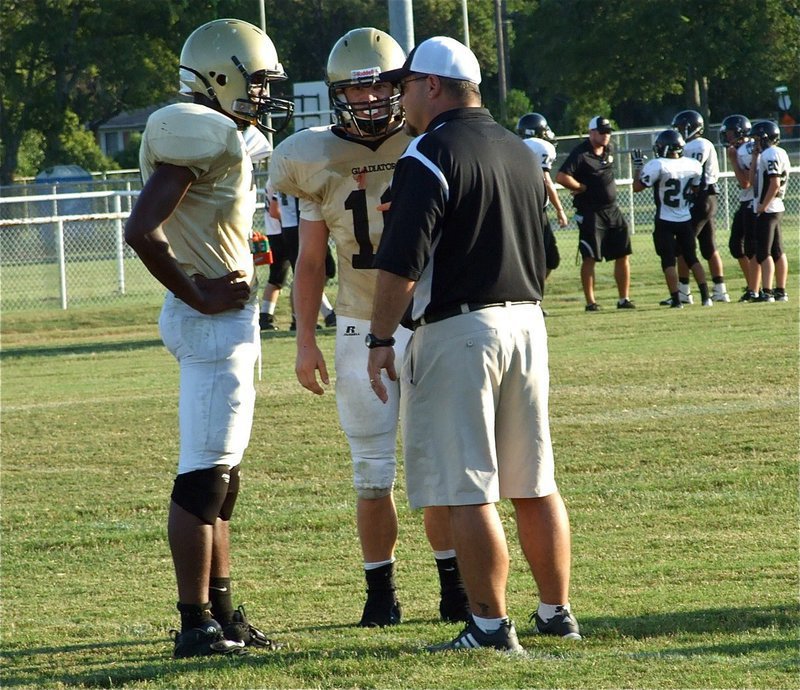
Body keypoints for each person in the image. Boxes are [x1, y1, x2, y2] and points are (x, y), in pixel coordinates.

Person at [367, 35, 580, 653]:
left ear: (431, 85)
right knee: (534, 481)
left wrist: (381, 336)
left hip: (460, 330)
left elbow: (400, 263)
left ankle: (489, 625)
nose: (401, 96)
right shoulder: (518, 149)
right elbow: (546, 255)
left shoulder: (428, 152)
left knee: (468, 485)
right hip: (527, 321)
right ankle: (555, 612)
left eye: (406, 84)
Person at [270, 27, 469, 628]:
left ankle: (453, 585)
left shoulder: (430, 140)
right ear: (336, 96)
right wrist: (304, 340)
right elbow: (309, 262)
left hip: (427, 319)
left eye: (380, 86)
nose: (369, 100)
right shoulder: (310, 156)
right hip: (358, 322)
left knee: (434, 464)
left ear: (403, 86)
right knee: (372, 470)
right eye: (355, 91)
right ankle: (380, 592)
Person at [124, 18, 293, 658]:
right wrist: (197, 292)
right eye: (256, 85)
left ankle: (221, 615)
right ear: (221, 77)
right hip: (208, 321)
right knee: (202, 479)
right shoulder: (195, 127)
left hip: (226, 322)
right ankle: (194, 624)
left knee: (223, 476)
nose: (262, 97)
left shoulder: (224, 135)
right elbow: (143, 228)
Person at [556, 116, 635, 311]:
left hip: (612, 210)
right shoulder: (581, 153)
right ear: (592, 133)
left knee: (623, 253)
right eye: (602, 132)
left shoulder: (609, 149)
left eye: (608, 132)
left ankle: (623, 299)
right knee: (590, 257)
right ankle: (591, 302)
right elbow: (561, 176)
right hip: (591, 212)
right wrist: (580, 187)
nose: (606, 135)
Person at [631, 130, 712, 308]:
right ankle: (706, 297)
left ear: (666, 147)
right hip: (685, 218)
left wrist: (638, 167)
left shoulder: (657, 164)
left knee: (668, 260)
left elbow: (637, 187)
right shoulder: (693, 165)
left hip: (665, 219)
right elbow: (697, 189)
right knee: (692, 257)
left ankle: (676, 300)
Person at [670, 110, 730, 304]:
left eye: (681, 128)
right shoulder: (695, 144)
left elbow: (692, 168)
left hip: (701, 197)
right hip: (706, 198)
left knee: (682, 246)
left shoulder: (699, 144)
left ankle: (683, 291)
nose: (679, 132)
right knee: (708, 246)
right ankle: (720, 290)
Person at [259, 184, 337, 331]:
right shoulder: (292, 178)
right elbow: (275, 210)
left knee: (283, 278)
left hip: (286, 230)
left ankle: (318, 315)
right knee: (307, 275)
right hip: (296, 228)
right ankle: (317, 316)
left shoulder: (281, 177)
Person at [516, 113, 565, 278]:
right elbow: (546, 181)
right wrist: (560, 209)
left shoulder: (514, 145)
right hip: (534, 212)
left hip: (515, 208)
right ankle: (534, 296)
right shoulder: (541, 147)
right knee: (549, 259)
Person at [718, 115, 759, 301]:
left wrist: (733, 160)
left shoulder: (743, 151)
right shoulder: (746, 147)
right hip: (748, 202)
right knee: (737, 246)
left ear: (739, 132)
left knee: (750, 247)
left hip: (752, 202)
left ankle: (755, 288)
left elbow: (746, 183)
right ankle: (752, 284)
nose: (726, 136)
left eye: (729, 133)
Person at [749, 120, 791, 302]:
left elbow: (774, 182)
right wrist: (754, 157)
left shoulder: (771, 154)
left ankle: (767, 292)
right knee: (777, 251)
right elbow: (752, 181)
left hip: (769, 208)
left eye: (757, 139)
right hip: (776, 206)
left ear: (765, 138)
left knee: (763, 252)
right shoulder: (777, 152)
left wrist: (762, 206)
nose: (754, 142)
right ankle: (780, 290)